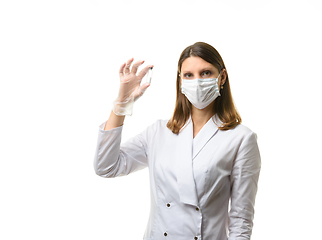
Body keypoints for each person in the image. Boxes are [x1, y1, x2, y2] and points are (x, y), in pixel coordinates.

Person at [94, 42, 261, 240]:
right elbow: (106, 167)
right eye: (189, 75)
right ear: (180, 81)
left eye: (206, 73)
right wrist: (120, 106)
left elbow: (241, 219)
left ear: (221, 77)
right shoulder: (158, 132)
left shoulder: (241, 139)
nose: (197, 81)